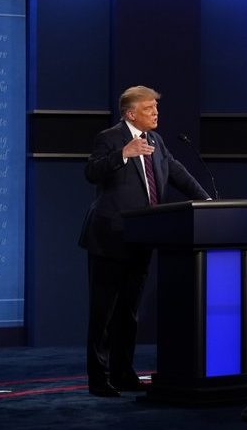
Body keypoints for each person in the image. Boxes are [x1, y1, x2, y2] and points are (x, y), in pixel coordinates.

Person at [79, 85, 211, 397]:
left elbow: (175, 172)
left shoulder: (156, 141)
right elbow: (91, 172)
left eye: (156, 108)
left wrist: (205, 200)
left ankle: (124, 373)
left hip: (142, 237)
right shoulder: (110, 138)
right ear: (130, 113)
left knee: (128, 312)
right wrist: (122, 155)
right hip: (109, 238)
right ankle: (99, 379)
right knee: (104, 314)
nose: (156, 113)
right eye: (149, 108)